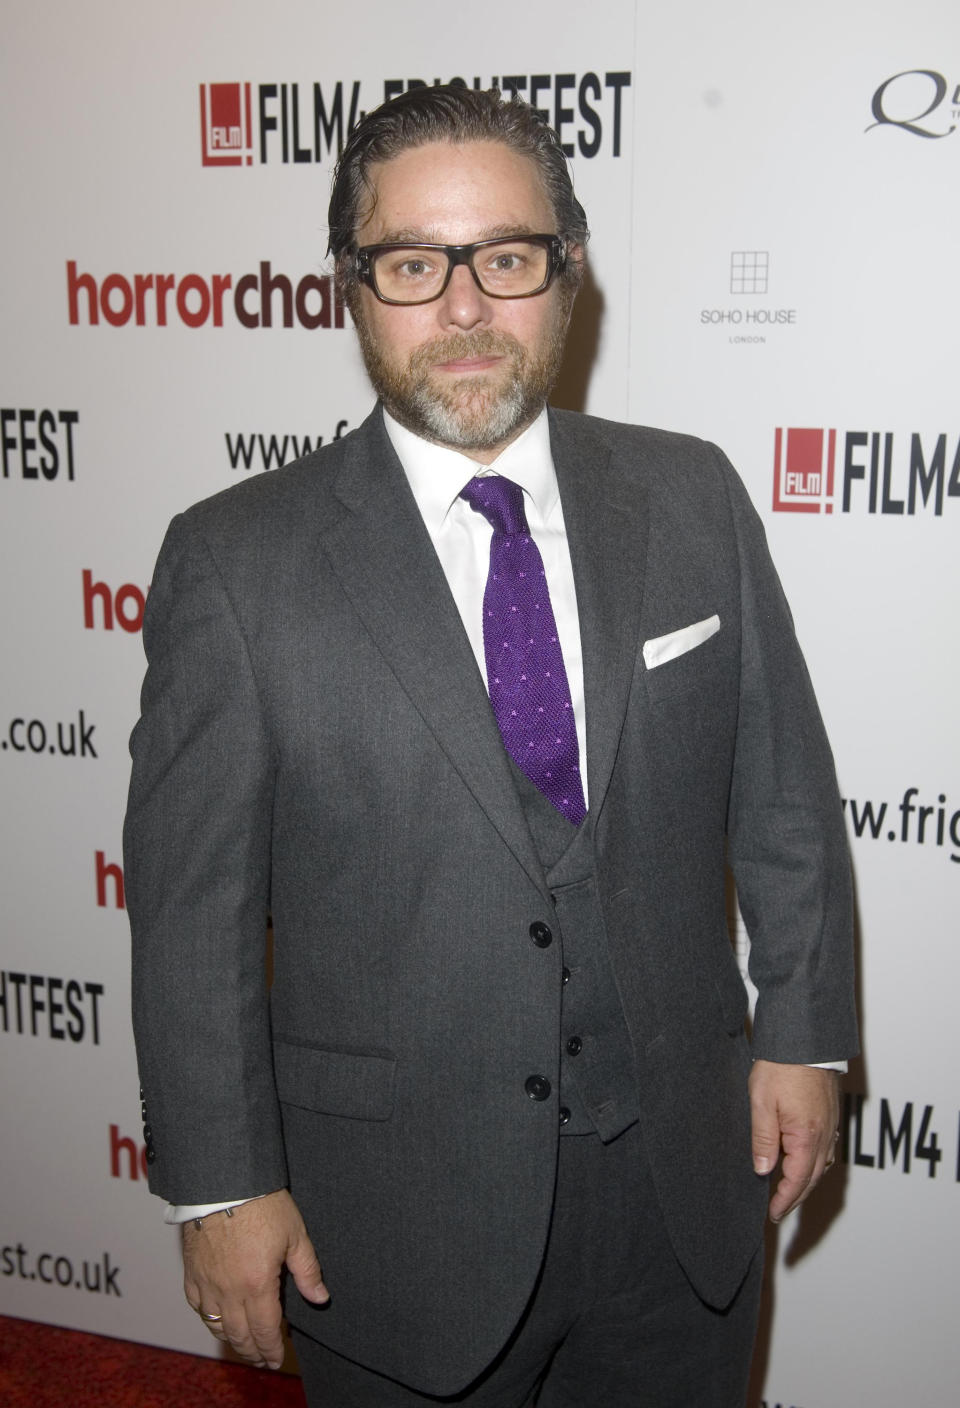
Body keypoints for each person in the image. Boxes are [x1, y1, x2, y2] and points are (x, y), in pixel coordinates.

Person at [124, 85, 857, 1408]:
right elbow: (192, 917)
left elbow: (784, 796)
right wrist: (224, 1182)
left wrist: (805, 1032)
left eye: (506, 258)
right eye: (413, 264)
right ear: (352, 289)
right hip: (394, 1226)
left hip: (683, 1193)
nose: (464, 309)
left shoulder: (689, 495)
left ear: (567, 274)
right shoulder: (235, 565)